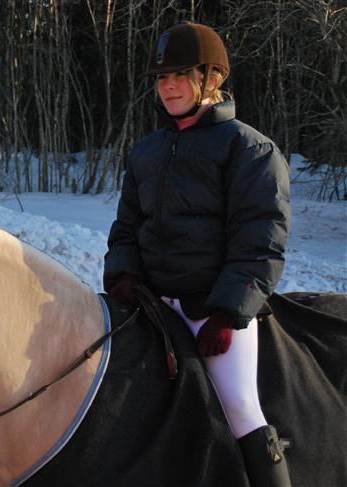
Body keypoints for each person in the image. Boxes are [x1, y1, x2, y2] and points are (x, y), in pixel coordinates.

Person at [103, 21, 292, 487]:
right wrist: (123, 275)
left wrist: (228, 313)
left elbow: (260, 238)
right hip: (149, 307)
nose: (168, 86)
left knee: (240, 406)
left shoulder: (249, 150)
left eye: (181, 75)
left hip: (211, 311)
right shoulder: (147, 151)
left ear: (213, 80)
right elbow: (126, 227)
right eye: (162, 78)